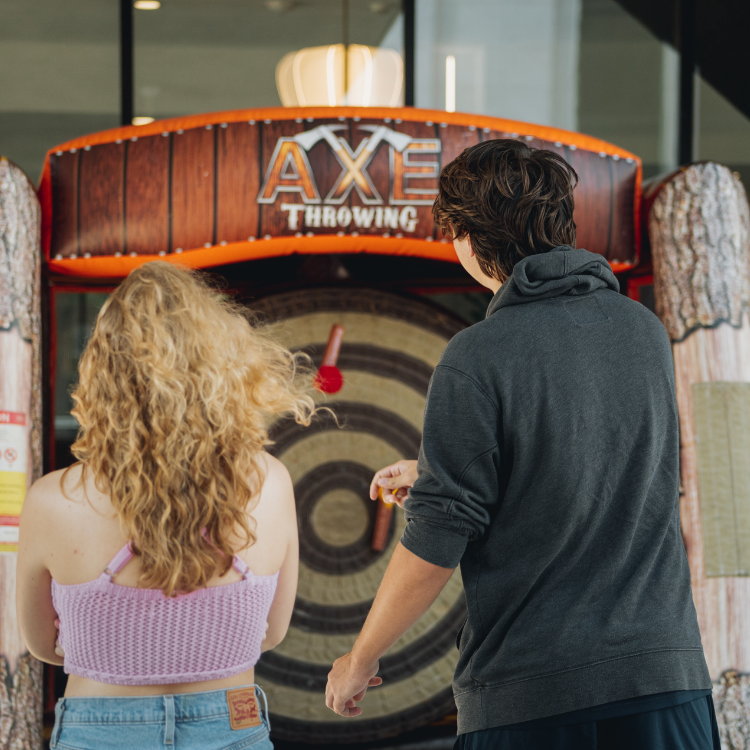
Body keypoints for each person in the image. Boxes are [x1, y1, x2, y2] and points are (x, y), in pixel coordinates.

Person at [325, 140, 720, 749]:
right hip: (664, 682)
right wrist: (438, 472)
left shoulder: (478, 356)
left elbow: (436, 540)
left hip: (535, 698)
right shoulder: (643, 331)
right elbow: (604, 466)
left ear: (467, 235)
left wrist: (360, 657)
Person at [17, 262, 314, 750]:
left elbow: (41, 645)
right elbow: (271, 632)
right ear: (220, 369)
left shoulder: (53, 500)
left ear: (102, 374)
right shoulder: (270, 482)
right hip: (231, 724)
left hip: (99, 729)